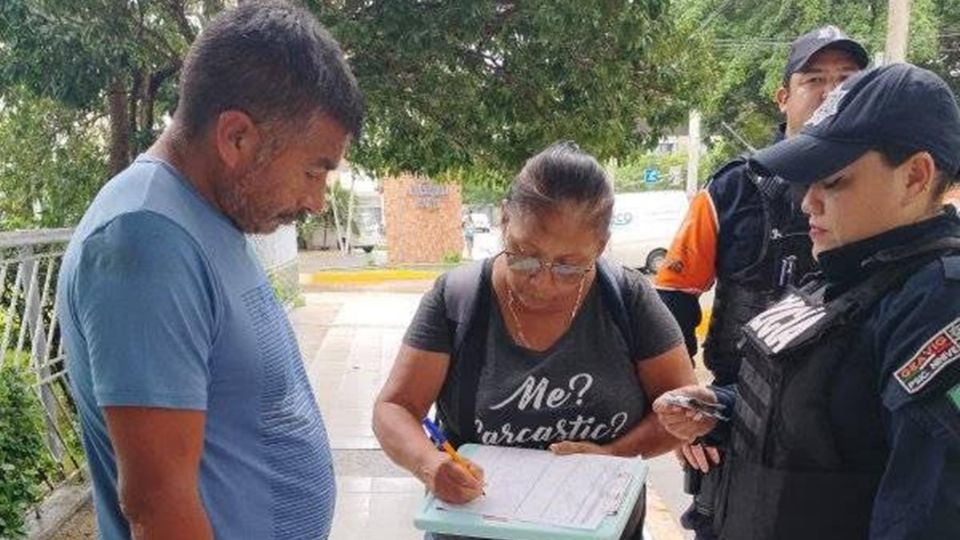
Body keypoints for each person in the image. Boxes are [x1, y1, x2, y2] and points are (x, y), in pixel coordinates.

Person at [56, 3, 363, 539]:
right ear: (236, 138)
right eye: (314, 170)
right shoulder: (145, 241)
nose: (317, 201)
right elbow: (158, 506)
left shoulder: (208, 219)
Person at [654, 63, 960, 540]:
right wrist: (720, 407)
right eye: (808, 182)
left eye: (833, 182)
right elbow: (832, 422)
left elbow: (925, 514)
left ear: (916, 177)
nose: (807, 203)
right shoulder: (849, 271)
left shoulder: (937, 305)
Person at [373, 142, 698, 539]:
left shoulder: (628, 300)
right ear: (505, 219)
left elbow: (683, 408)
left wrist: (613, 454)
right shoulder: (457, 299)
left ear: (600, 245)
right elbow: (395, 407)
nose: (542, 282)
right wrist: (428, 463)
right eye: (524, 255)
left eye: (569, 265)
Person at [653, 25, 868, 538]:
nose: (831, 91)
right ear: (783, 97)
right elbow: (672, 299)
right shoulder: (733, 188)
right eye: (815, 78)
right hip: (734, 409)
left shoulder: (878, 183)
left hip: (840, 421)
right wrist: (688, 404)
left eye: (848, 79)